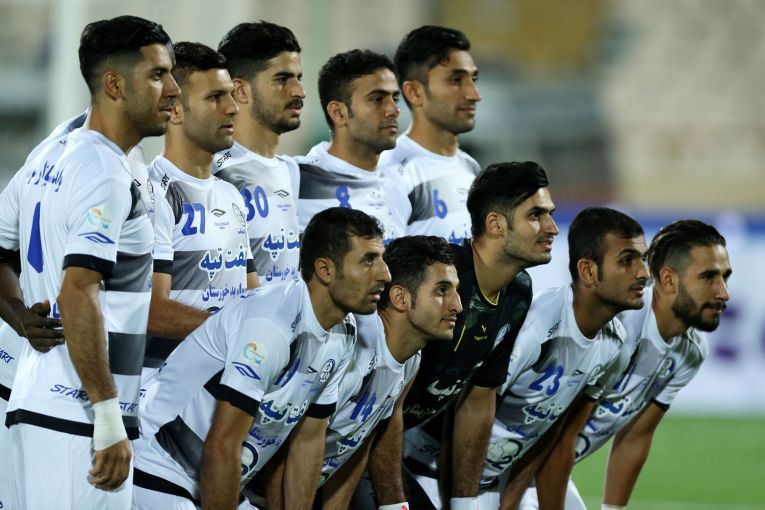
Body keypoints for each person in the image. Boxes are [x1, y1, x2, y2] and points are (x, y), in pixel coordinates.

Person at [0, 15, 179, 509]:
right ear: (115, 85)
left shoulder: (49, 154)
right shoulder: (105, 171)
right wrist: (106, 416)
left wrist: (20, 316)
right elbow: (78, 291)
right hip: (77, 419)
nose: (174, 91)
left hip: (37, 404)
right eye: (158, 75)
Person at [132, 208, 391, 510]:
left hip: (215, 481)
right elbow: (222, 447)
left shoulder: (343, 332)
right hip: (158, 470)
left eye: (382, 259)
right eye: (369, 260)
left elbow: (307, 442)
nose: (385, 274)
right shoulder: (271, 325)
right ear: (325, 270)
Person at [365, 162, 556, 510]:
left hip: (376, 443)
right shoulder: (436, 279)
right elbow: (384, 395)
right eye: (536, 215)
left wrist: (465, 503)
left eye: (550, 215)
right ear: (495, 224)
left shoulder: (517, 293)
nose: (552, 228)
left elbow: (478, 402)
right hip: (347, 441)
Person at [522, 220, 731, 510]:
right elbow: (557, 437)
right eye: (708, 277)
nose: (723, 293)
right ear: (668, 279)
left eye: (725, 277)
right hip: (510, 468)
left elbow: (635, 436)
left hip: (546, 472)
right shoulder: (616, 327)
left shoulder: (691, 351)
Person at [472, 207, 649, 510]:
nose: (644, 273)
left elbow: (553, 435)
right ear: (588, 271)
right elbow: (466, 412)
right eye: (627, 260)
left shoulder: (615, 346)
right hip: (445, 475)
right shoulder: (534, 328)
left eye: (643, 259)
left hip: (502, 480)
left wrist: (511, 501)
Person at [309, 235, 460, 510]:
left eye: (455, 291)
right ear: (400, 298)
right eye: (441, 291)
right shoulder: (350, 350)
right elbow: (290, 444)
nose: (457, 305)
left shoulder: (410, 360)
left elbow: (356, 444)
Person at [143, 42, 258, 376]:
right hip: (164, 390)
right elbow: (151, 311)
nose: (232, 108)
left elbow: (253, 295)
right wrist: (235, 335)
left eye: (230, 95)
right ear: (176, 110)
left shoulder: (231, 194)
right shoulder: (152, 194)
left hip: (223, 385)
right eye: (215, 97)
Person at [214, 21, 305, 285]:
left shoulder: (291, 171)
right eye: (282, 79)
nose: (299, 92)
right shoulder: (215, 172)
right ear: (240, 90)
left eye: (298, 78)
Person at [380, 25, 482, 244]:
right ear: (415, 92)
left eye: (473, 79)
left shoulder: (471, 167)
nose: (474, 94)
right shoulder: (392, 173)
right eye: (456, 80)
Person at [297, 49, 408, 243]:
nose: (394, 110)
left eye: (395, 99)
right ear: (339, 113)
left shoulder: (397, 182)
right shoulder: (300, 182)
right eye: (377, 99)